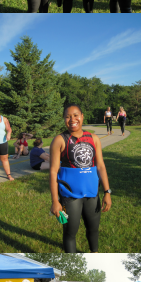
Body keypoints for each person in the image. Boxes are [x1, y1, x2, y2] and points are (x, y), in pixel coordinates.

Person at [50, 104, 111, 253]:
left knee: (93, 229)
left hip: (91, 194)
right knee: (70, 232)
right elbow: (53, 171)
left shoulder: (93, 138)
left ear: (82, 116)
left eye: (76, 115)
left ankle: (94, 254)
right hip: (70, 196)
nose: (72, 119)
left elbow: (101, 166)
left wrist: (107, 192)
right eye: (68, 116)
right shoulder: (60, 139)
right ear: (64, 119)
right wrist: (55, 201)